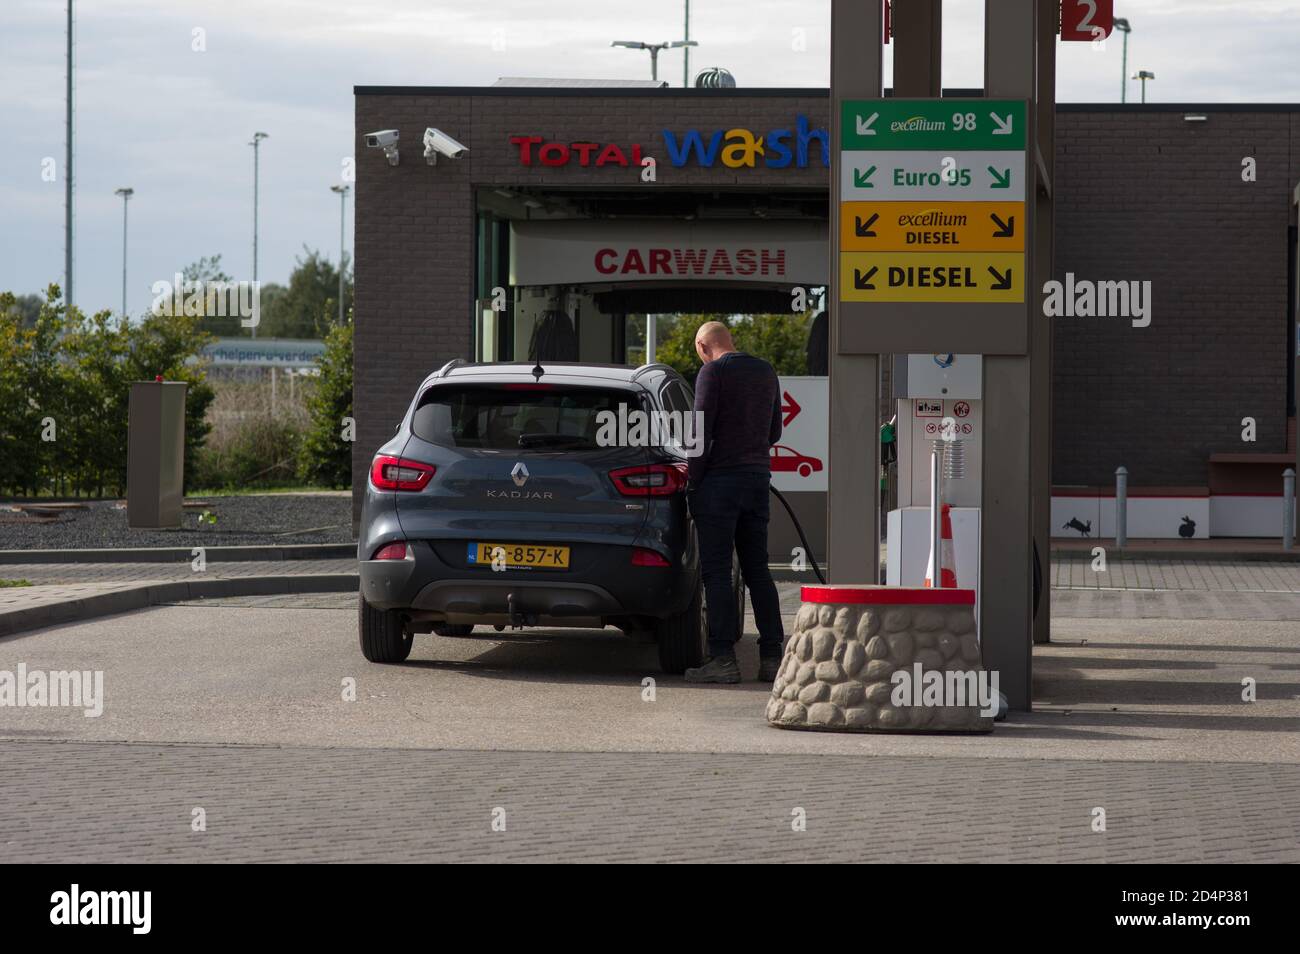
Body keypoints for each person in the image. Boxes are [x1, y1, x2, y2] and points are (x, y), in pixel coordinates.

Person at [683, 321, 787, 684]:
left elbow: (699, 434)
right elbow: (775, 431)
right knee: (757, 569)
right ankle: (772, 657)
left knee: (717, 571)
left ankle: (723, 659)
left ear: (702, 345)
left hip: (719, 485)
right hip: (757, 480)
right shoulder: (765, 371)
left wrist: (692, 482)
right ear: (730, 340)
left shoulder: (712, 372)